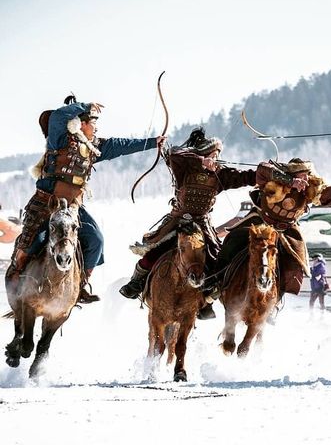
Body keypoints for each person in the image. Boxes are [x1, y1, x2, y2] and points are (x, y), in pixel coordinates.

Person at [7, 96, 166, 303]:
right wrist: (85, 105)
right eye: (93, 122)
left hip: (73, 208)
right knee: (32, 242)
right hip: (47, 203)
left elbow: (121, 145)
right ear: (81, 124)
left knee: (96, 240)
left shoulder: (93, 148)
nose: (97, 128)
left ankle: (79, 285)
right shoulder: (60, 139)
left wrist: (152, 142)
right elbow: (57, 117)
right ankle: (16, 279)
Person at [119, 127, 257, 320]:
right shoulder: (185, 168)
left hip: (202, 225)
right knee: (156, 251)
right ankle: (136, 283)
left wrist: (269, 173)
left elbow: (248, 176)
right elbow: (174, 153)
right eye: (212, 155)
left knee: (217, 260)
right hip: (178, 221)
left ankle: (206, 300)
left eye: (217, 156)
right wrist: (201, 160)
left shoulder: (221, 174)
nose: (215, 159)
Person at [214, 158, 331, 301]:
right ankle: (215, 284)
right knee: (233, 241)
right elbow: (263, 168)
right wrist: (291, 182)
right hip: (261, 221)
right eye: (302, 175)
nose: (306, 179)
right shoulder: (274, 182)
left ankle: (274, 300)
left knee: (296, 264)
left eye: (307, 175)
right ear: (292, 175)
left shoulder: (311, 191)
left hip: (287, 229)